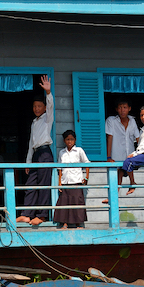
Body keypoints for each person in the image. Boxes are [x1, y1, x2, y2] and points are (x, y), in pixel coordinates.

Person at [16, 75, 53, 226]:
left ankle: (42, 215)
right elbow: (31, 143)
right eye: (35, 106)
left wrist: (48, 92)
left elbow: (51, 106)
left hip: (45, 153)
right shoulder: (33, 122)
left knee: (43, 184)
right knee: (30, 184)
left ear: (44, 108)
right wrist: (28, 162)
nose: (37, 109)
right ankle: (26, 214)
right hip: (36, 153)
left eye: (39, 106)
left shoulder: (47, 118)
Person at [104, 98, 140, 202]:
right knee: (119, 174)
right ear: (116, 109)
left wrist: (143, 153)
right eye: (120, 108)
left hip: (130, 153)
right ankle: (113, 196)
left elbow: (138, 138)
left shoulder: (132, 121)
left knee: (128, 165)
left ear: (129, 108)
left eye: (124, 107)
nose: (122, 110)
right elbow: (109, 137)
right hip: (116, 154)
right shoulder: (111, 120)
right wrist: (108, 157)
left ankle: (132, 183)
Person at [55, 130, 90, 229]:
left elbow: (87, 164)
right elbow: (60, 169)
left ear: (75, 140)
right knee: (65, 203)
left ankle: (79, 224)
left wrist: (86, 177)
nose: (69, 141)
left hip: (76, 181)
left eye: (71, 139)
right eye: (67, 139)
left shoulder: (79, 151)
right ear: (64, 140)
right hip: (65, 181)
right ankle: (65, 223)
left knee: (77, 203)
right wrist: (59, 183)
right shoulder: (62, 152)